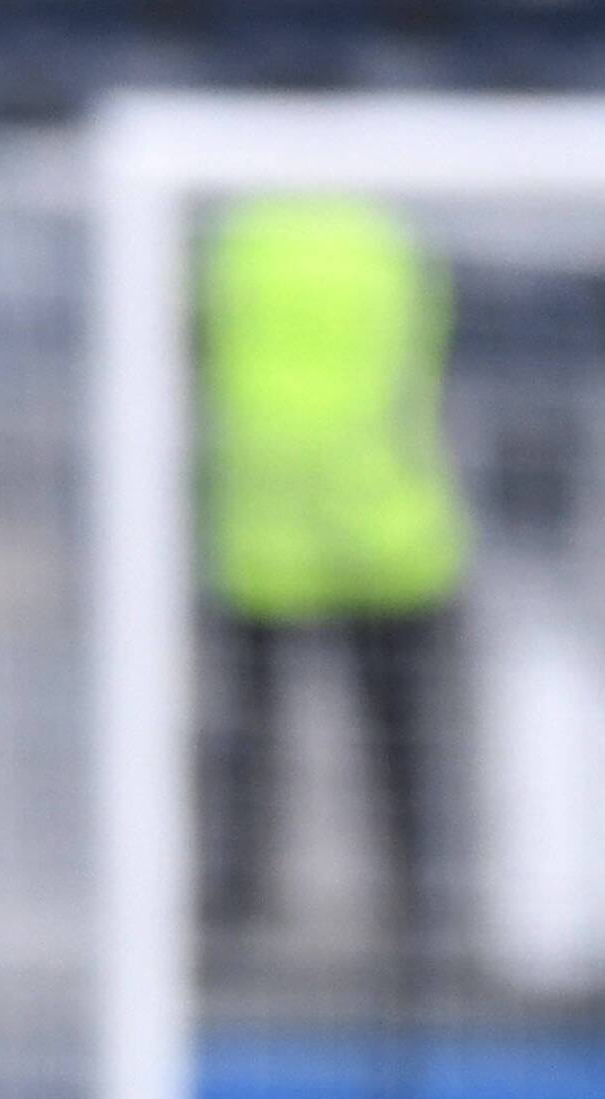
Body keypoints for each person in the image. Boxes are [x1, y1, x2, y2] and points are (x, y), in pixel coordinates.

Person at [199, 194, 468, 960]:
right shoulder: (392, 241)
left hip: (263, 539)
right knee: (397, 751)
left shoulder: (234, 243)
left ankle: (233, 922)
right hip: (386, 536)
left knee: (251, 755)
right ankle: (421, 925)